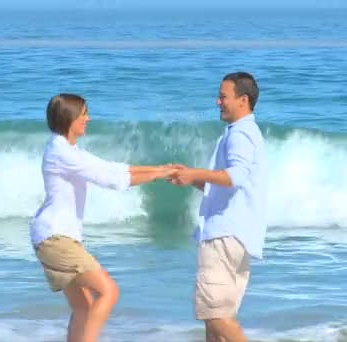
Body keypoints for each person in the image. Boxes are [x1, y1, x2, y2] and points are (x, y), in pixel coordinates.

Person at [30, 93, 174, 342]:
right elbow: (112, 180)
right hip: (56, 238)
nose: (88, 118)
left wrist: (160, 170)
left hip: (54, 238)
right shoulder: (64, 154)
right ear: (70, 118)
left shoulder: (67, 149)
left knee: (83, 306)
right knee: (109, 291)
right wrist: (159, 175)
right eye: (84, 113)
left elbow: (112, 167)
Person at [169, 72, 267, 342]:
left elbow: (235, 176)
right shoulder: (244, 132)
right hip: (237, 235)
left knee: (215, 316)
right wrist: (191, 178)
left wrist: (197, 173)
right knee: (217, 324)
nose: (217, 102)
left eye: (223, 97)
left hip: (224, 235)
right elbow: (230, 185)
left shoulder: (241, 133)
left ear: (243, 100)